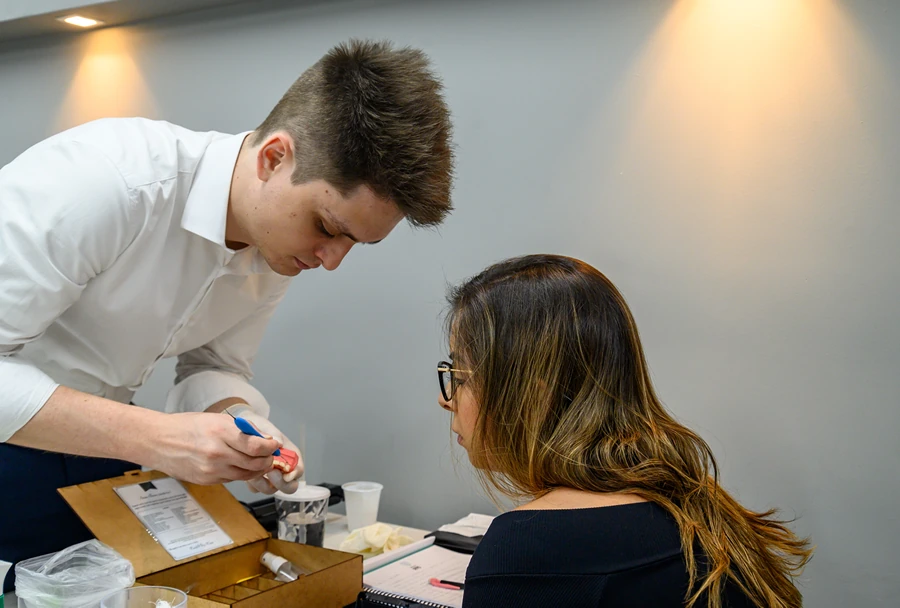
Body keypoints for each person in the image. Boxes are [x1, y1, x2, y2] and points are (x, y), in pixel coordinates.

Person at [0, 39, 454, 591]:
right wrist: (156, 438)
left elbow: (212, 365)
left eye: (356, 243)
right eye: (329, 228)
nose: (331, 260)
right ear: (274, 157)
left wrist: (242, 419)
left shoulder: (275, 250)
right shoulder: (108, 182)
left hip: (101, 451)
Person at [437, 255, 812, 608]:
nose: (447, 400)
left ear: (532, 394)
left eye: (460, 376)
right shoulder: (703, 507)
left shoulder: (521, 551)